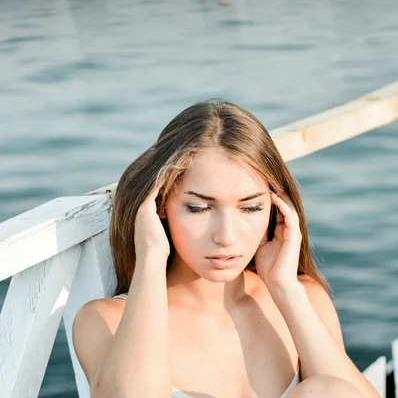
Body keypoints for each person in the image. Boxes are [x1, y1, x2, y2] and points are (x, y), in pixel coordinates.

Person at [72, 100, 378, 398]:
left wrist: (285, 289)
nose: (226, 236)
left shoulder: (305, 298)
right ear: (160, 205)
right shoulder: (105, 321)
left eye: (250, 208)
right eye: (198, 208)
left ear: (276, 210)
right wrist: (151, 257)